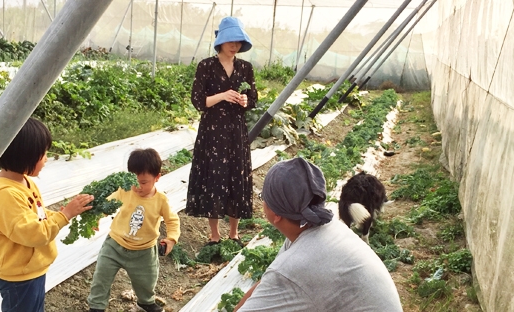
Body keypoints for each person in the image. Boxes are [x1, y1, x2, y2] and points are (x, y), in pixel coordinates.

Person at [234, 158, 403, 312]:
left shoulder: (295, 267)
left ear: (276, 214)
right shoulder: (321, 228)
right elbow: (263, 284)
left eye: (264, 197)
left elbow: (281, 276)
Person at [0, 117, 94, 312]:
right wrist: (64, 215)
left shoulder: (23, 181)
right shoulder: (6, 195)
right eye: (43, 154)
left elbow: (36, 212)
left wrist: (61, 213)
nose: (46, 160)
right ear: (25, 156)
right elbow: (34, 233)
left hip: (31, 268)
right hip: (19, 275)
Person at [185, 16, 258, 246]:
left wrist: (245, 99)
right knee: (214, 179)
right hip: (212, 132)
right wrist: (223, 95)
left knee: (236, 177)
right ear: (221, 42)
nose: (234, 44)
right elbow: (198, 101)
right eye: (230, 40)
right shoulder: (206, 66)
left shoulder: (246, 68)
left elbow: (254, 98)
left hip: (236, 132)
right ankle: (214, 235)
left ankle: (234, 233)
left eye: (238, 40)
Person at [87, 148, 180, 312]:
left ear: (157, 177)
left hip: (144, 250)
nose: (137, 187)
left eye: (143, 182)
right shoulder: (125, 191)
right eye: (134, 181)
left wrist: (171, 239)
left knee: (146, 280)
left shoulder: (161, 200)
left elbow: (172, 221)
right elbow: (109, 203)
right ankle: (96, 306)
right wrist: (97, 215)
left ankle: (145, 302)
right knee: (101, 277)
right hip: (114, 245)